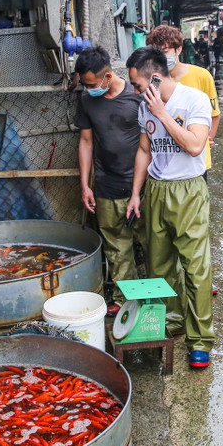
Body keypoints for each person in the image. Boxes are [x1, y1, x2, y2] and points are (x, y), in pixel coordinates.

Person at [125, 46, 214, 368]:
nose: (134, 91)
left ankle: (200, 339)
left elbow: (194, 146)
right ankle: (171, 323)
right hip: (156, 191)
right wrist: (137, 193)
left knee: (195, 269)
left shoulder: (193, 100)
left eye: (137, 85)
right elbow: (144, 150)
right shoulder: (144, 107)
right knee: (159, 266)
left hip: (188, 190)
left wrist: (162, 113)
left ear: (156, 77)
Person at [74, 46, 143, 315]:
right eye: (84, 84)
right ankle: (126, 301)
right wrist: (85, 184)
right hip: (106, 183)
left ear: (107, 76)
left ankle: (159, 301)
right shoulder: (87, 100)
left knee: (152, 243)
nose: (88, 89)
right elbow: (86, 141)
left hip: (143, 184)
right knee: (117, 246)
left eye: (91, 84)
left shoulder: (137, 95)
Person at [146, 26, 220, 179]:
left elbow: (214, 115)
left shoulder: (201, 76)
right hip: (163, 165)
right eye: (156, 53)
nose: (160, 57)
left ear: (179, 49)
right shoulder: (153, 80)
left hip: (194, 164)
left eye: (165, 51)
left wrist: (205, 141)